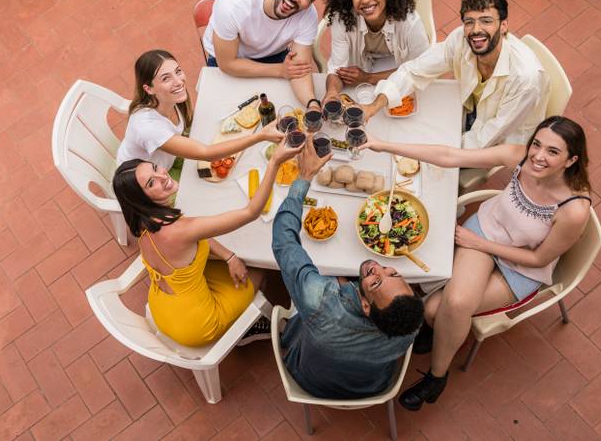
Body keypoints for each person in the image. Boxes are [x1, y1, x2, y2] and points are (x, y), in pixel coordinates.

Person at [361, 116, 592, 410]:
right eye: (537, 144)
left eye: (552, 152)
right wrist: (382, 145)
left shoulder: (573, 210)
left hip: (520, 266)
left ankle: (437, 377)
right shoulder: (519, 156)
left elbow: (539, 258)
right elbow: (450, 156)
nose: (538, 156)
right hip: (487, 230)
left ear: (572, 160)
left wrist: (479, 244)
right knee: (438, 311)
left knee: (442, 308)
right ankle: (439, 334)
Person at [271, 139, 424, 398]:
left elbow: (284, 242)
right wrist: (359, 284)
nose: (378, 267)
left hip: (310, 381)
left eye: (376, 281)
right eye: (392, 272)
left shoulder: (319, 299)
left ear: (366, 307)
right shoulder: (411, 324)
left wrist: (304, 177)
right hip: (375, 385)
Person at [112, 140, 302, 347]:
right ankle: (243, 330)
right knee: (263, 267)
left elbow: (195, 235)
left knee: (238, 259)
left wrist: (228, 256)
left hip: (165, 305)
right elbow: (251, 212)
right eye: (151, 183)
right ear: (141, 199)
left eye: (156, 168)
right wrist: (274, 162)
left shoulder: (141, 222)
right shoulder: (179, 230)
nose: (163, 176)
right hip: (197, 324)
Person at [366, 0, 550, 150]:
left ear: (503, 26)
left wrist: (436, 151)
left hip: (503, 136)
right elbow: (414, 71)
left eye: (486, 21)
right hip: (470, 106)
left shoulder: (525, 79)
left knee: (436, 168)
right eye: (469, 22)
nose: (476, 30)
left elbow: (490, 135)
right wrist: (374, 106)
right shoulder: (460, 38)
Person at [116, 50, 283, 170]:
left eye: (178, 71)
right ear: (149, 89)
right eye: (166, 78)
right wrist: (260, 136)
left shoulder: (169, 98)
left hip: (165, 161)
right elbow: (207, 153)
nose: (179, 82)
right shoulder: (148, 128)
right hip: (144, 183)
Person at [202, 0, 327, 108]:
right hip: (230, 58)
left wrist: (312, 104)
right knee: (226, 108)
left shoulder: (308, 15)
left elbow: (298, 70)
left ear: (310, 3)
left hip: (273, 55)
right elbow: (227, 64)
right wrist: (280, 70)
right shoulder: (232, 5)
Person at [321, 0, 430, 102]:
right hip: (361, 63)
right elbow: (336, 68)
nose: (365, 0)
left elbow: (421, 69)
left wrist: (368, 78)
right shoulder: (342, 19)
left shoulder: (410, 22)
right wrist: (332, 93)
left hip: (396, 64)